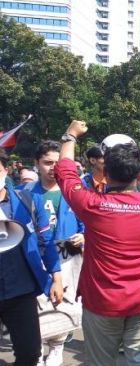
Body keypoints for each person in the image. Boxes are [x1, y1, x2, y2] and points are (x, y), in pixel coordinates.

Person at [54, 120, 140, 365]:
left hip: (102, 301)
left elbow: (64, 172)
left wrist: (70, 135)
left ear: (104, 173)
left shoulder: (93, 206)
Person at [20, 141, 85, 366]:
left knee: (64, 302)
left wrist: (83, 236)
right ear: (37, 163)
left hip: (68, 256)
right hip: (36, 257)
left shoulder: (73, 191)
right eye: (47, 163)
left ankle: (57, 347)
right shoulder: (25, 193)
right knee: (37, 303)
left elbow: (87, 221)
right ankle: (35, 348)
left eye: (57, 163)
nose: (52, 168)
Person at [0, 149, 62, 366]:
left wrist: (56, 276)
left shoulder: (26, 200)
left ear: (5, 170)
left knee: (30, 353)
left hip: (21, 290)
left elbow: (45, 241)